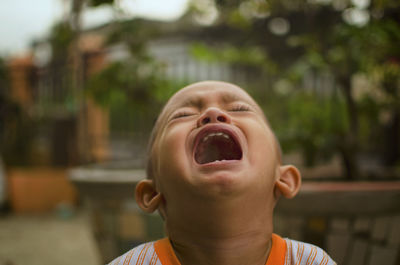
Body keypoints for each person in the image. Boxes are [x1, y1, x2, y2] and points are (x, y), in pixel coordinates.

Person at [108, 81, 336, 265]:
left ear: (284, 180)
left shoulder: (311, 262)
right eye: (183, 114)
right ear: (151, 193)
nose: (213, 112)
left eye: (239, 109)